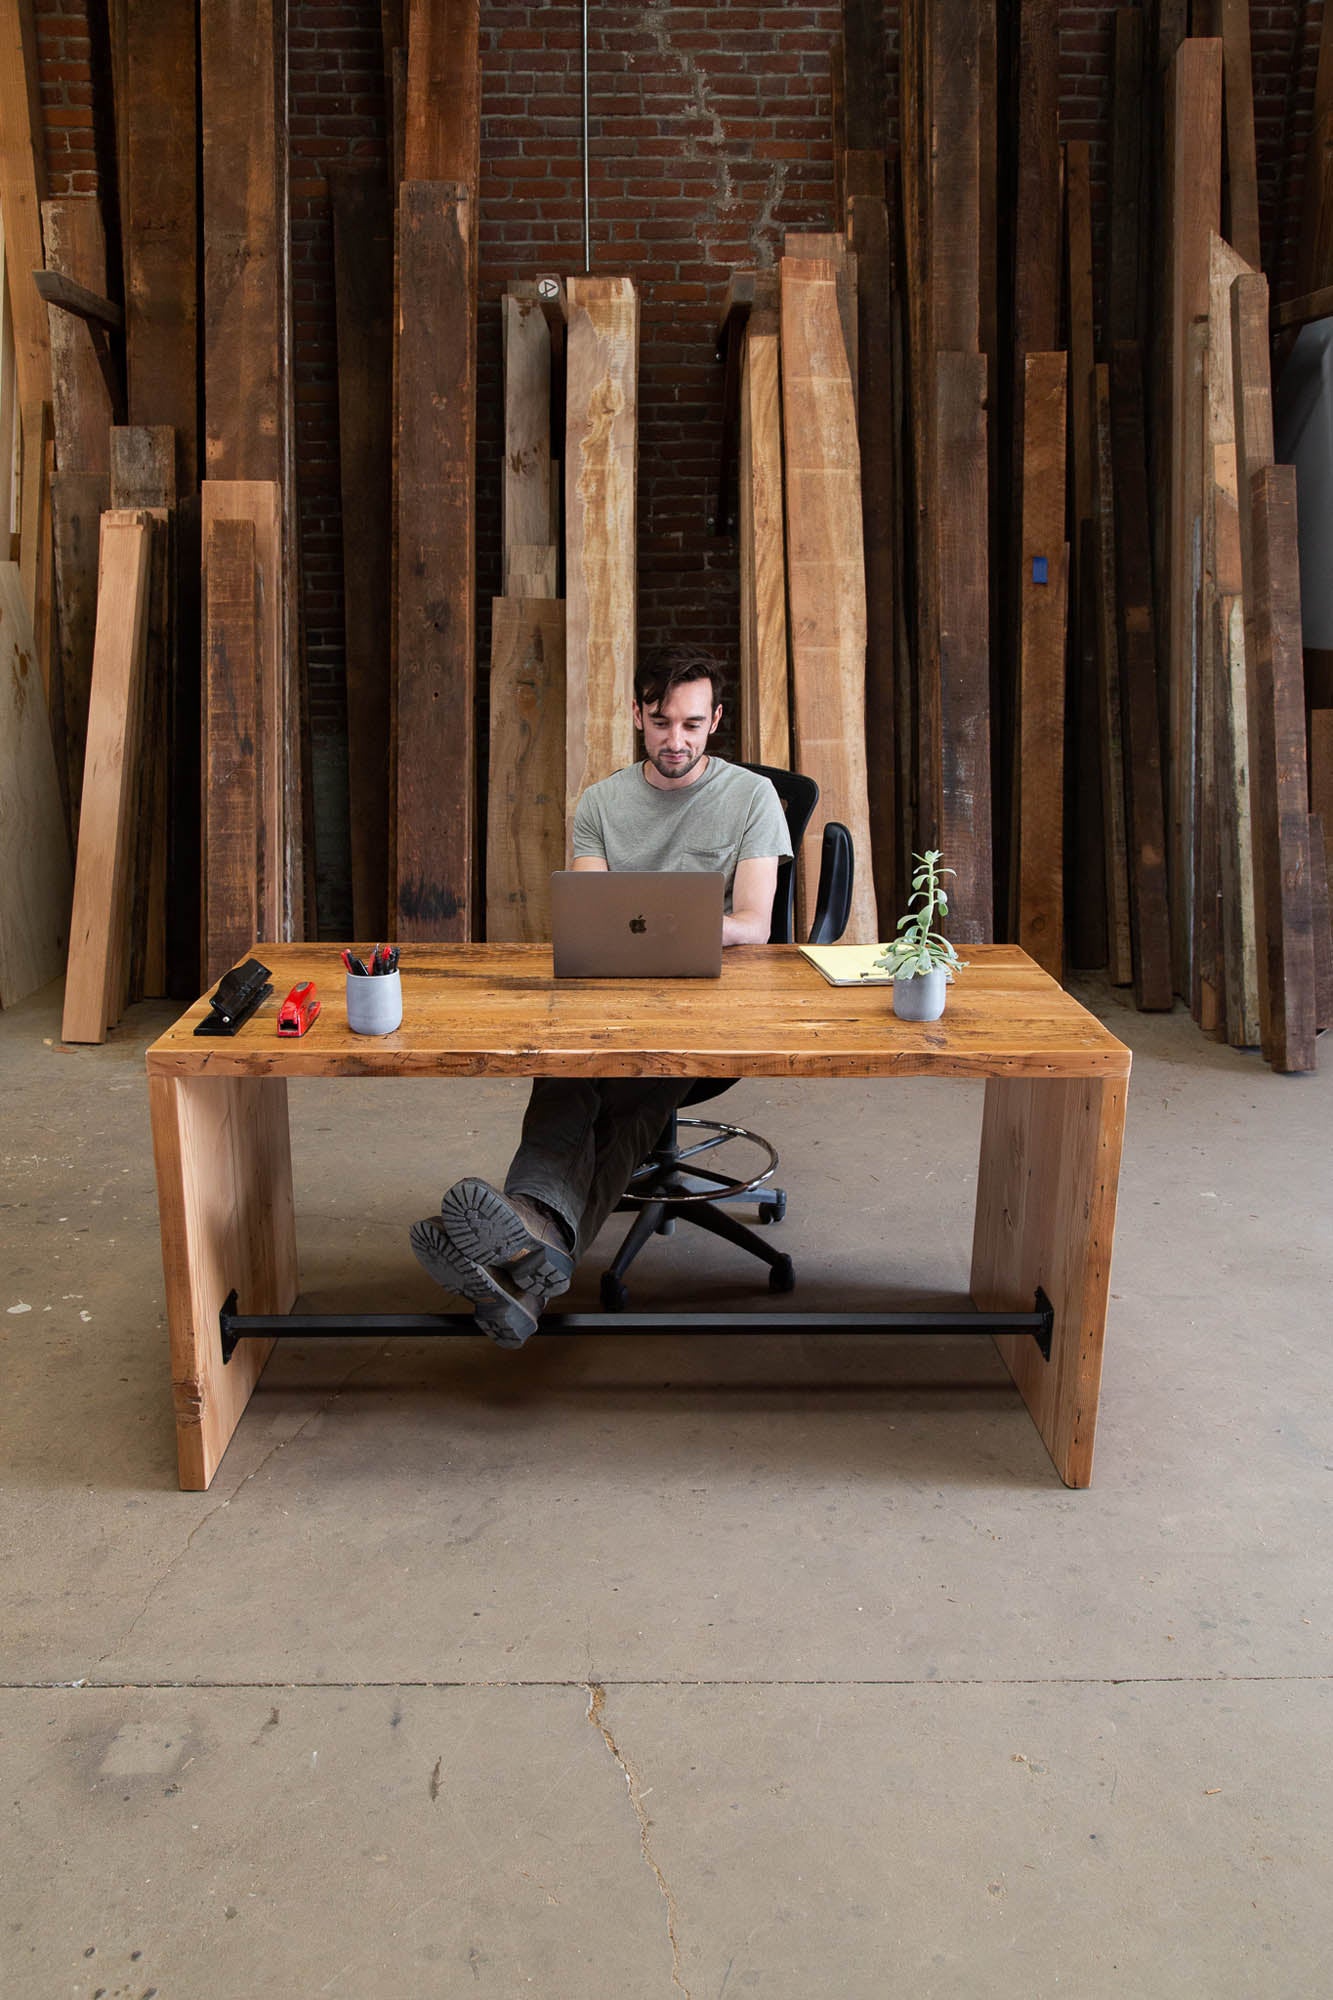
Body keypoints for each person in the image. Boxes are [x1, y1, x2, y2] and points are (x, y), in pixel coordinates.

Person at [410, 644, 793, 1346]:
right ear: (638, 716)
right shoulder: (600, 803)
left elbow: (752, 924)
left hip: (709, 1005)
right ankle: (532, 1258)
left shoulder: (751, 798)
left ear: (715, 722)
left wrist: (669, 931)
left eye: (691, 724)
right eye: (660, 722)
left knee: (639, 1075)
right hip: (608, 996)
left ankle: (530, 1229)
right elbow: (590, 914)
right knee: (571, 1063)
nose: (675, 741)